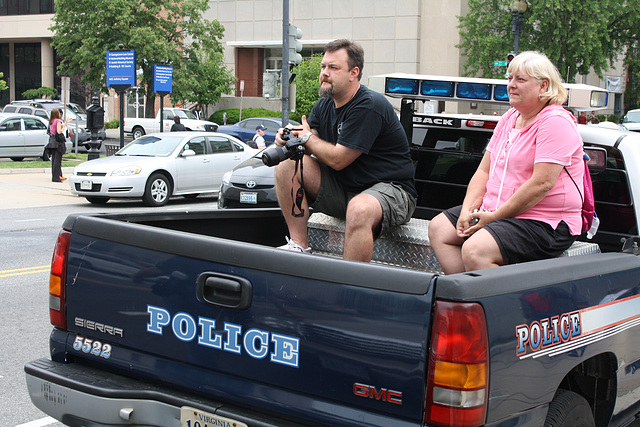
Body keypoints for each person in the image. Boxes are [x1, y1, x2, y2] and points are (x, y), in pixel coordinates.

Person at [428, 51, 584, 274]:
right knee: (440, 228)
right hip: (497, 212)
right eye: (509, 78)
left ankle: (492, 306)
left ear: (543, 86)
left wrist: (493, 217)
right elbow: (484, 171)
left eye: (520, 79)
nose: (511, 85)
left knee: (476, 250)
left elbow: (542, 184)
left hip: (544, 222)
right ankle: (465, 297)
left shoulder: (555, 122)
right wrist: (467, 210)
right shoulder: (510, 118)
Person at [273, 39, 417, 262]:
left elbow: (339, 159)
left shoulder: (368, 105)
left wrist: (307, 138)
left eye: (333, 67)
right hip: (346, 190)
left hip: (391, 190)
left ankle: (350, 286)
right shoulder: (324, 105)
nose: (324, 73)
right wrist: (289, 139)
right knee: (287, 165)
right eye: (323, 67)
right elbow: (312, 143)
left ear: (353, 73)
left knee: (359, 208)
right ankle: (299, 245)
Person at [48, 109, 71, 182]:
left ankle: (55, 176)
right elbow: (59, 131)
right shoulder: (58, 121)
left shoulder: (51, 121)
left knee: (54, 159)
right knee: (58, 160)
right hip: (58, 142)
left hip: (52, 141)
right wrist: (64, 125)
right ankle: (56, 177)